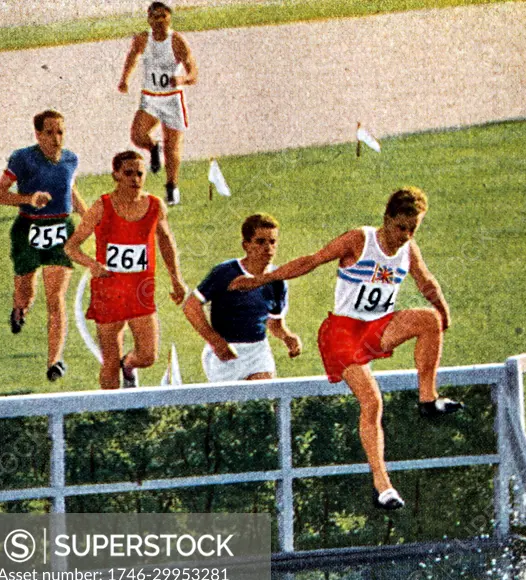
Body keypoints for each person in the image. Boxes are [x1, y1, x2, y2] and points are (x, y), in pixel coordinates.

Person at [229, 187, 462, 511]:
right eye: (400, 228)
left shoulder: (409, 249)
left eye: (413, 229)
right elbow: (311, 261)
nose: (405, 236)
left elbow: (426, 282)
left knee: (428, 320)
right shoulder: (360, 240)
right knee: (372, 400)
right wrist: (260, 280)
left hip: (376, 327)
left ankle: (427, 400)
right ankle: (383, 486)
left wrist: (443, 310)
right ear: (386, 219)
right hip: (342, 333)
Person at [64, 150, 187, 389]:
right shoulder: (102, 206)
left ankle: (128, 365)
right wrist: (92, 264)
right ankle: (111, 410)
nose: (135, 179)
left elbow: (166, 243)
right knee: (109, 363)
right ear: (116, 175)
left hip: (140, 292)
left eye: (140, 174)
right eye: (128, 173)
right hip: (108, 293)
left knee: (149, 355)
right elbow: (71, 247)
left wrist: (177, 279)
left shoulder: (154, 206)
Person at [0, 110, 88, 382]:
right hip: (28, 229)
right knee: (26, 293)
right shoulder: (22, 159)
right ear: (37, 134)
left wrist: (89, 218)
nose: (56, 139)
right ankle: (18, 309)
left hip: (60, 231)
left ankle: (55, 361)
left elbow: (71, 190)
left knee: (56, 298)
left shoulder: (71, 159)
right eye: (50, 133)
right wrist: (28, 198)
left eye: (60, 132)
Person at [183, 214, 302, 382]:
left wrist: (287, 336)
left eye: (272, 242)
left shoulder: (277, 282)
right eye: (260, 242)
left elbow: (274, 323)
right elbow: (191, 306)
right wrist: (216, 342)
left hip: (258, 352)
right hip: (225, 353)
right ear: (246, 245)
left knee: (262, 401)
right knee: (230, 407)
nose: (268, 248)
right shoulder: (225, 272)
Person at [117, 1, 197, 207]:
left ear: (169, 18)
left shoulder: (177, 41)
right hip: (151, 97)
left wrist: (182, 80)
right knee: (137, 136)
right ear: (149, 19)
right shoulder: (143, 40)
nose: (160, 21)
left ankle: (172, 186)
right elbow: (132, 57)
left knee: (173, 147)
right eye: (155, 17)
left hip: (171, 99)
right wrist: (125, 78)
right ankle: (153, 148)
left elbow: (193, 73)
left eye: (163, 16)